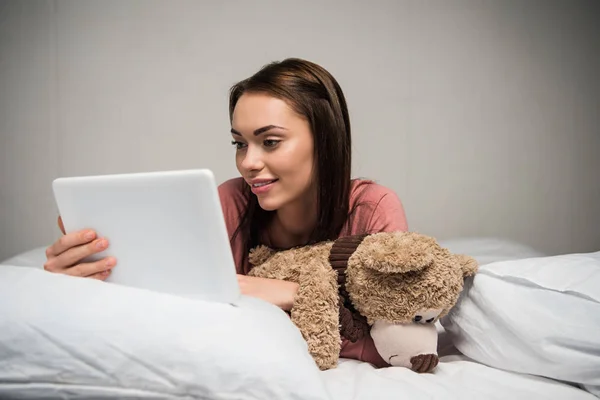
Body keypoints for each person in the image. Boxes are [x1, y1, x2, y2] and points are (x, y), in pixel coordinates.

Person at [43, 58, 408, 367]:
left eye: (270, 142)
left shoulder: (372, 210)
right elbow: (176, 299)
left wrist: (293, 293)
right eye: (239, 143)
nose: (247, 163)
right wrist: (86, 276)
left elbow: (404, 344)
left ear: (325, 140)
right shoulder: (232, 201)